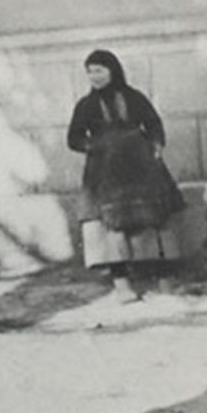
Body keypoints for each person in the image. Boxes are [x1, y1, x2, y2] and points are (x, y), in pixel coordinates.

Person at [66, 48, 185, 301]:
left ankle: (164, 281)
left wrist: (156, 145)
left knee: (155, 220)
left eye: (99, 70)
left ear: (113, 70)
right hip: (106, 171)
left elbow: (153, 124)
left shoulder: (134, 98)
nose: (94, 77)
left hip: (141, 167)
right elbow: (73, 138)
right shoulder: (86, 106)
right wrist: (95, 146)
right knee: (113, 225)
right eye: (90, 72)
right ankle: (122, 285)